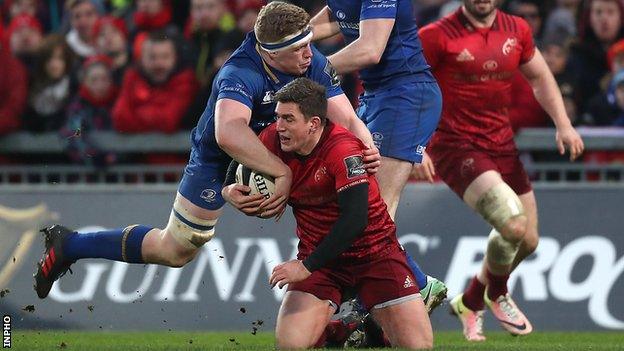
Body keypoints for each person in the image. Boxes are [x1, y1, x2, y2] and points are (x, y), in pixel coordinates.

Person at [33, 1, 379, 299]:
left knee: (362, 201)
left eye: (308, 43)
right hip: (220, 159)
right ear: (270, 53)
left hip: (289, 148)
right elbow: (228, 133)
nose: (309, 52)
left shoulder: (309, 59)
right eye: (298, 48)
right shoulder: (239, 72)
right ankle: (72, 245)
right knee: (176, 249)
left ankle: (396, 293)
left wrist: (366, 148)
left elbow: (345, 117)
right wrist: (277, 172)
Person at [223, 77, 433, 350]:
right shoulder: (273, 139)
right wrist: (229, 189)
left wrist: (305, 266)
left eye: (288, 119)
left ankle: (370, 331)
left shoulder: (342, 150)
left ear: (313, 124)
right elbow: (236, 162)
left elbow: (355, 220)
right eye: (278, 117)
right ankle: (341, 332)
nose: (280, 127)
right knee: (291, 345)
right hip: (324, 264)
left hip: (375, 255)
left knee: (419, 347)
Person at [416, 0, 584, 341]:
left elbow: (539, 76)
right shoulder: (435, 36)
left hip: (502, 145)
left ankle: (473, 299)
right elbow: (411, 89)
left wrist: (563, 124)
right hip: (455, 146)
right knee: (512, 223)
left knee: (529, 240)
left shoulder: (517, 29)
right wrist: (415, 144)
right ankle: (499, 293)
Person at [309, 0, 447, 313]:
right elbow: (332, 19)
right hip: (374, 95)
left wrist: (315, 69)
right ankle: (418, 285)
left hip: (405, 94)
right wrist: (287, 42)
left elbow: (371, 49)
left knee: (372, 211)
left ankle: (379, 300)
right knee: (354, 204)